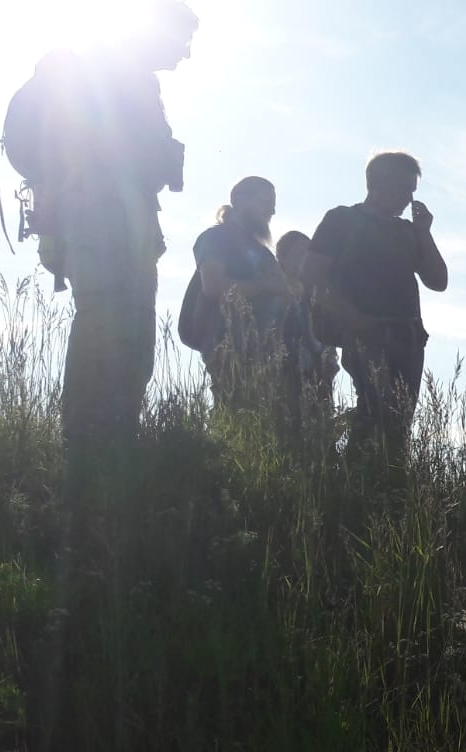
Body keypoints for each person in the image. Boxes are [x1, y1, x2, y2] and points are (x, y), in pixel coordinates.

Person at [25, 1, 198, 463]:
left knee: (132, 326)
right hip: (101, 219)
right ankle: (86, 439)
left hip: (127, 221)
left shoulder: (135, 79)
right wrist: (162, 154)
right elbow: (106, 147)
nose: (185, 54)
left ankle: (115, 432)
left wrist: (162, 157)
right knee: (105, 319)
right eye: (182, 40)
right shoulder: (111, 72)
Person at [302, 151, 449, 467]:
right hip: (367, 335)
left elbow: (438, 281)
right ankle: (359, 483)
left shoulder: (407, 231)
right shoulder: (341, 220)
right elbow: (312, 276)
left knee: (399, 418)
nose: (410, 198)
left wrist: (424, 232)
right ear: (380, 184)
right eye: (405, 188)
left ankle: (387, 485)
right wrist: (354, 320)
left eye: (413, 190)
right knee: (375, 412)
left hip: (407, 337)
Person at [191, 177, 290, 413]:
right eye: (266, 202)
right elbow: (213, 285)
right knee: (235, 414)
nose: (272, 211)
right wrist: (265, 286)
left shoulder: (262, 251)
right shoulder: (217, 238)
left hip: (267, 349)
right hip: (228, 344)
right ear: (241, 201)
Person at [274, 230, 339, 428]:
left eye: (307, 254)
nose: (304, 260)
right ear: (282, 260)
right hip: (285, 377)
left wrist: (329, 365)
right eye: (298, 254)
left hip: (319, 378)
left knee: (320, 434)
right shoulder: (274, 297)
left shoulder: (319, 298)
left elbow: (328, 341)